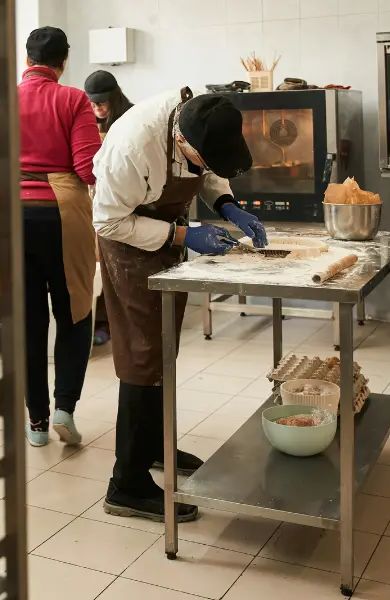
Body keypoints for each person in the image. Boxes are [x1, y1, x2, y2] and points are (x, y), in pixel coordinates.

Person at [93, 88, 267, 523]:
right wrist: (183, 236)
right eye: (202, 159)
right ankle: (126, 485)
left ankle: (153, 446)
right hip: (126, 244)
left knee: (163, 348)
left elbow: (207, 173)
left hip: (164, 238)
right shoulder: (132, 145)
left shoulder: (201, 118)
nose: (205, 167)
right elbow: (108, 220)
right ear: (182, 142)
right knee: (142, 356)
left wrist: (229, 207)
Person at [0, 27, 101, 447]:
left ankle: (37, 423)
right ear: (63, 64)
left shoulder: (0, 103)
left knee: (27, 320)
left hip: (9, 220)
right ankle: (65, 408)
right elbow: (88, 170)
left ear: (27, 61)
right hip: (62, 220)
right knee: (76, 312)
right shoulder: (74, 99)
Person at [83, 70, 134, 346]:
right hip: (93, 199)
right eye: (92, 104)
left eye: (102, 103)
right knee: (96, 264)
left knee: (116, 263)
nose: (97, 109)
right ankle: (98, 320)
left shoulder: (131, 119)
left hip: (123, 199)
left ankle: (114, 322)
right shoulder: (86, 120)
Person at [84, 70, 134, 137]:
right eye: (92, 103)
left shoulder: (132, 117)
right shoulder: (85, 118)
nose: (97, 108)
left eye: (101, 102)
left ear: (115, 98)